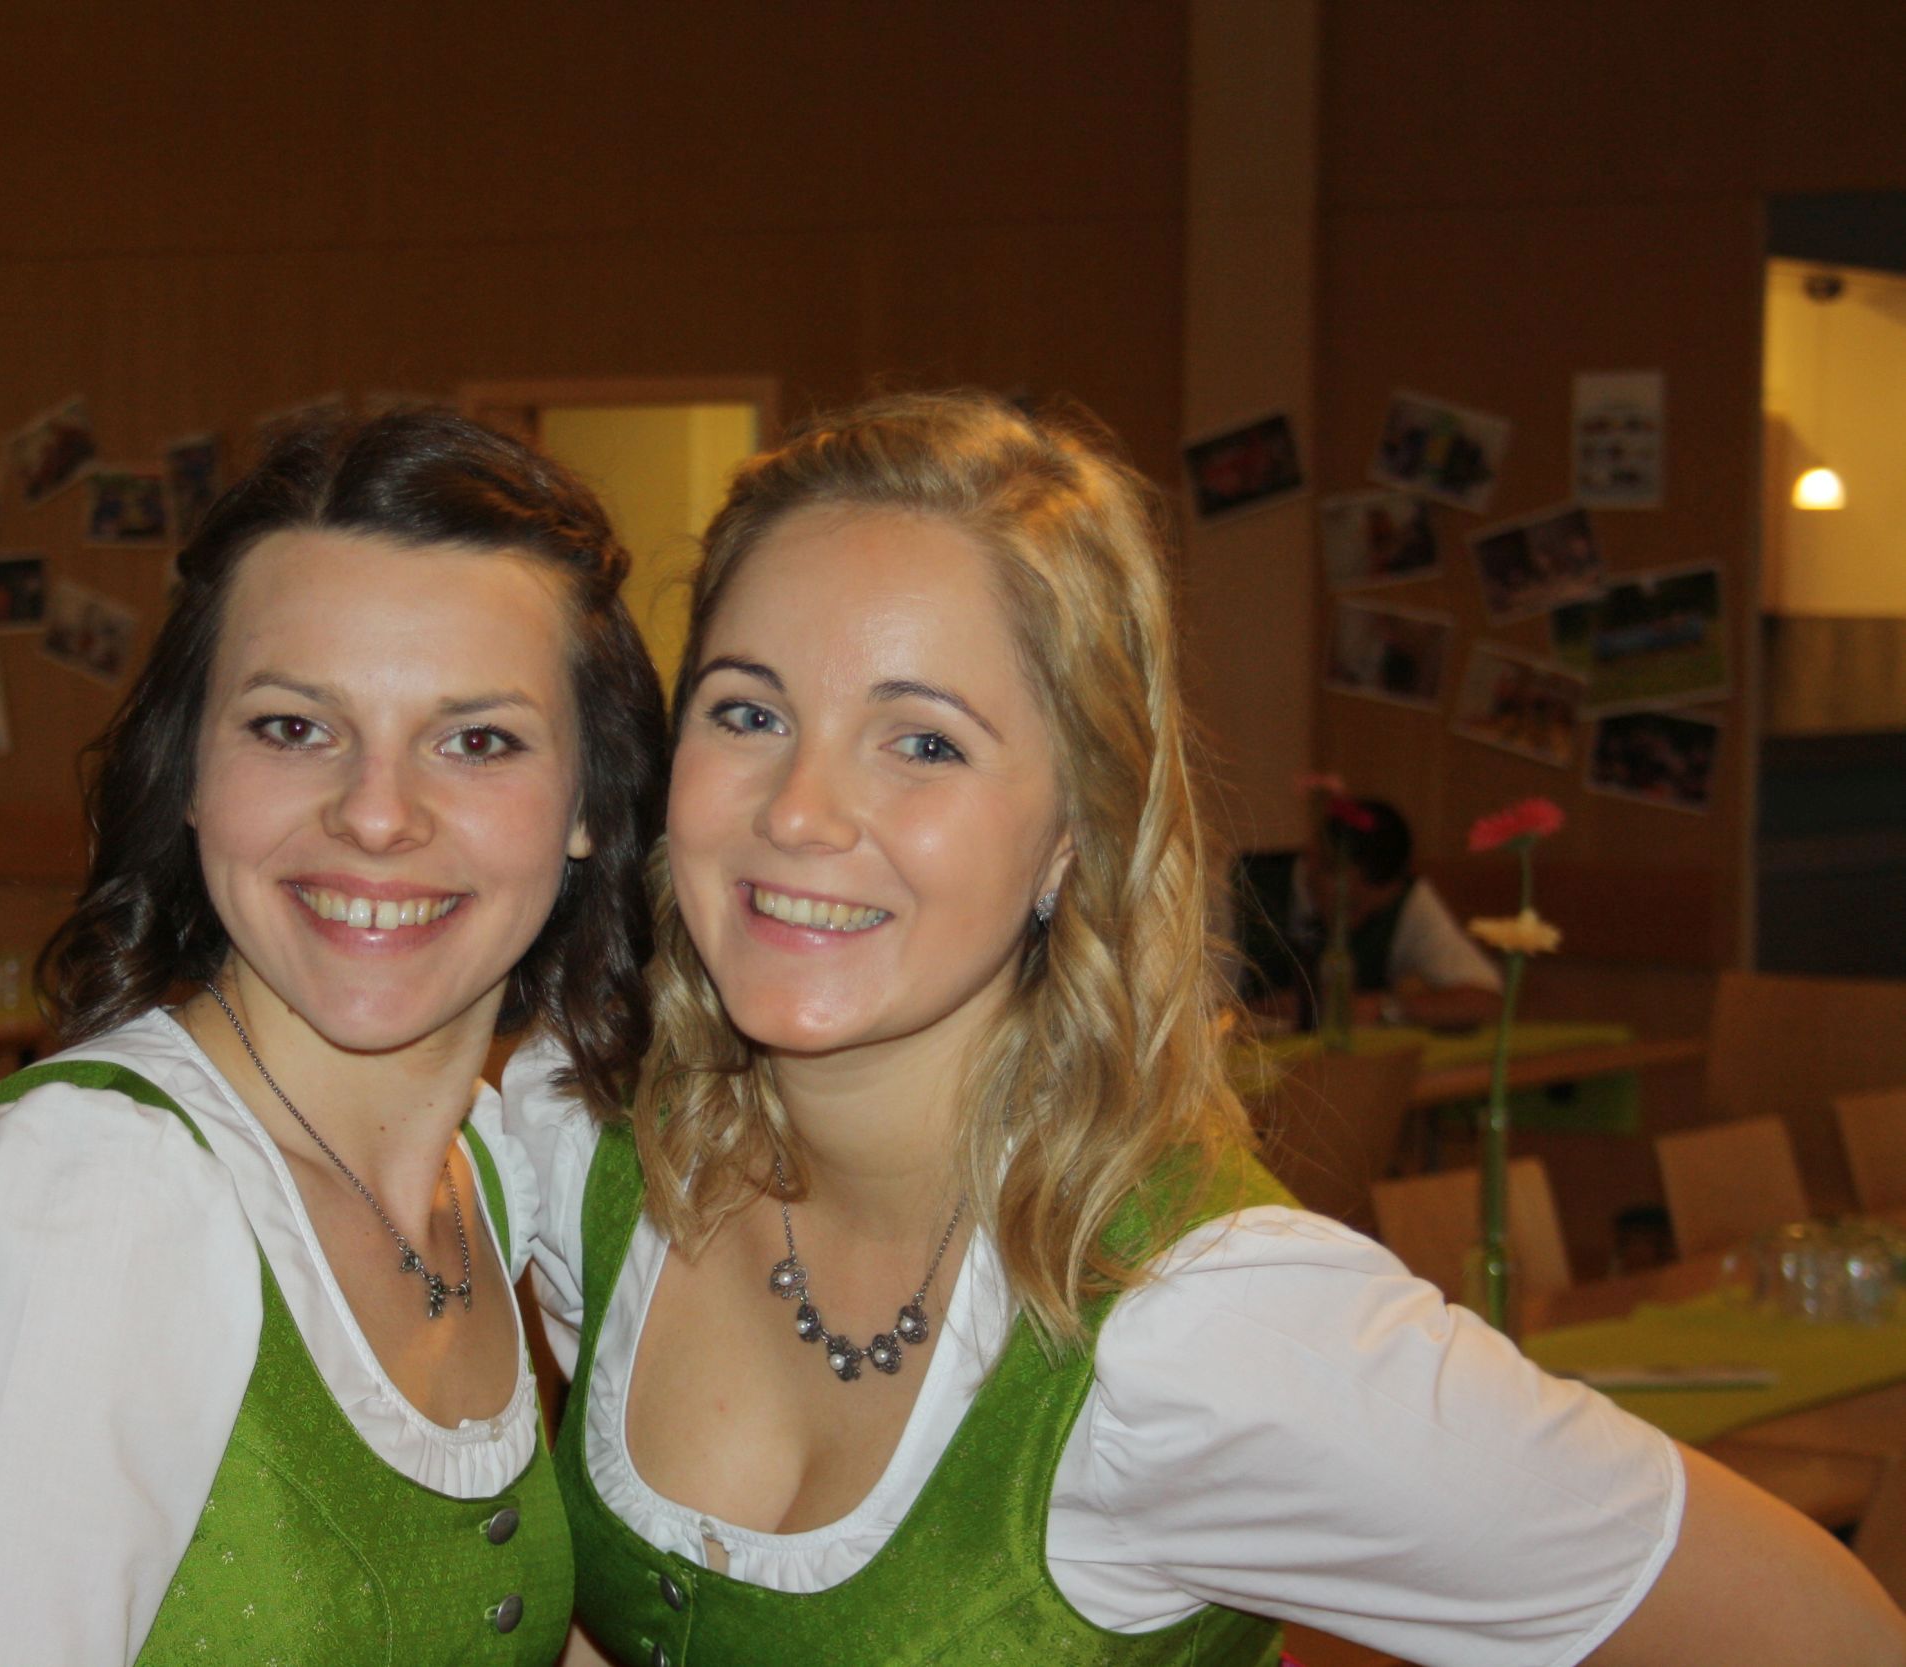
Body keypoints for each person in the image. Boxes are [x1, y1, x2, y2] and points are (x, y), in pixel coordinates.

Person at [504, 393, 1906, 1665]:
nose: (802, 809)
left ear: (1076, 831)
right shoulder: (591, 1148)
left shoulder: (1208, 1333)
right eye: (748, 710)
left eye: (924, 740)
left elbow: (1823, 1631)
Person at [0, 406, 667, 1664]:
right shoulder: (72, 1207)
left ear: (589, 803)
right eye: (292, 726)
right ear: (190, 773)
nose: (376, 814)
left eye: (477, 740)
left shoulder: (493, 1169)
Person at [1233, 796, 1502, 1031]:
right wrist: (1259, 1011)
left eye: (1372, 912)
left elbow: (1486, 1001)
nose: (1355, 923)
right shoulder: (1238, 885)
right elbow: (1212, 1008)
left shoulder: (1408, 899)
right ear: (1315, 858)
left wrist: (1379, 1009)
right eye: (1350, 906)